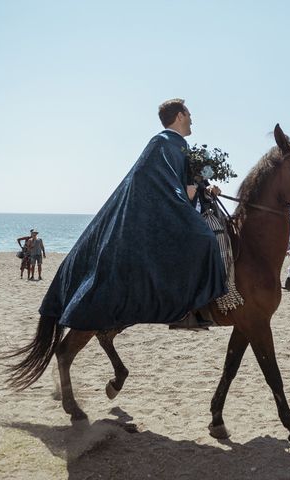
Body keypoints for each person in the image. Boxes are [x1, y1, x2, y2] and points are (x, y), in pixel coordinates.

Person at [39, 99, 226, 331]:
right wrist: (184, 192)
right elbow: (153, 183)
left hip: (183, 206)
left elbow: (188, 182)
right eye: (189, 113)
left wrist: (205, 187)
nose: (192, 118)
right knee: (203, 238)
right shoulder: (161, 142)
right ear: (179, 116)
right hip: (163, 213)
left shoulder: (182, 147)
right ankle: (185, 309)